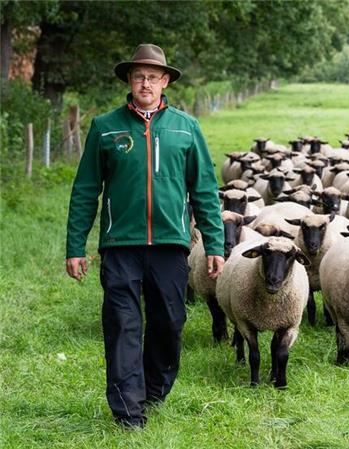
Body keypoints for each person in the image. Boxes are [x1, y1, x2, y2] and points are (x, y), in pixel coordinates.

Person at [65, 43, 225, 429]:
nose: (146, 83)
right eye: (139, 76)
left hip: (171, 245)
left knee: (169, 321)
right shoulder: (106, 126)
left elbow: (204, 188)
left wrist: (215, 243)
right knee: (122, 325)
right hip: (120, 245)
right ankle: (127, 411)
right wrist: (75, 246)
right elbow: (86, 189)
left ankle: (154, 390)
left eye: (153, 76)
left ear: (165, 81)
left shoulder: (186, 128)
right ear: (129, 81)